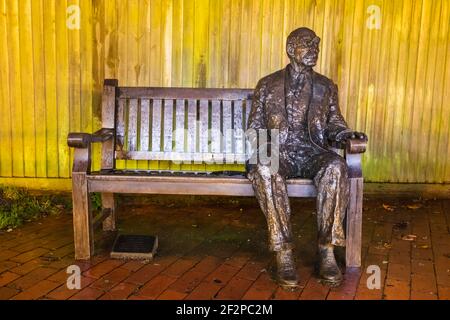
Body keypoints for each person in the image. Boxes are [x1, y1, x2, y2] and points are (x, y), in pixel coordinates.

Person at [246, 27, 367, 289]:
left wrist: (347, 133)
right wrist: (266, 153)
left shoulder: (326, 86)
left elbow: (335, 124)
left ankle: (327, 250)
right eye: (307, 44)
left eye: (316, 45)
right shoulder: (267, 85)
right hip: (281, 151)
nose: (314, 49)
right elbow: (254, 128)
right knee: (266, 169)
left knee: (336, 166)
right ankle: (284, 253)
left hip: (313, 151)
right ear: (291, 50)